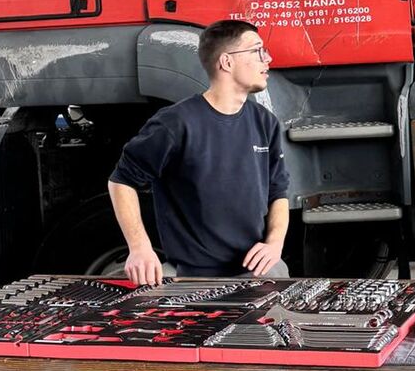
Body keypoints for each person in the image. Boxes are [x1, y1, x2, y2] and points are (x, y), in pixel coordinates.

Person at [108, 20, 291, 285]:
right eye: (257, 51)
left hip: (256, 273)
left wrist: (274, 245)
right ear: (226, 62)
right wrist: (139, 248)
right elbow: (121, 181)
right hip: (189, 277)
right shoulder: (175, 123)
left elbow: (278, 192)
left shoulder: (265, 123)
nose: (268, 58)